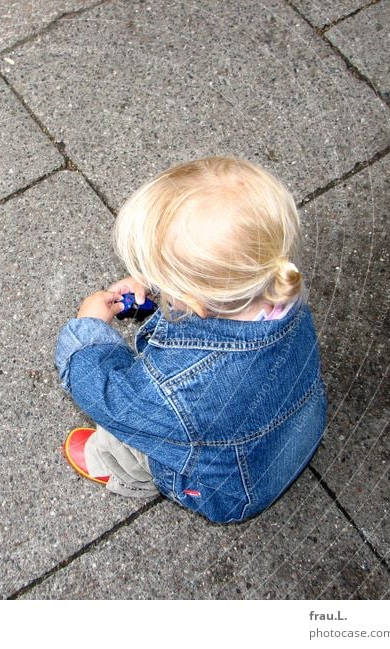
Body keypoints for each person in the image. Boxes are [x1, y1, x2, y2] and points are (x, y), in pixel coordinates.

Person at [55, 157, 326, 523]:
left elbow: (108, 394)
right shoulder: (281, 289)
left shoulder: (180, 390)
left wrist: (89, 331)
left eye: (160, 278)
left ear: (194, 300)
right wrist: (159, 291)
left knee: (134, 428)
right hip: (295, 436)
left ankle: (123, 467)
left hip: (229, 491)